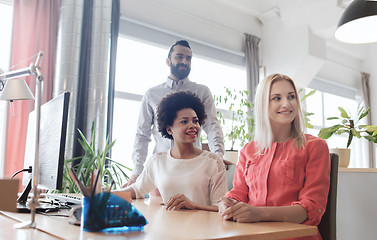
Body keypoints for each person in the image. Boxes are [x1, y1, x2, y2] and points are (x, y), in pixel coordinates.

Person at [218, 74, 330, 240]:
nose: (286, 104)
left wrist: (257, 214)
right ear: (263, 105)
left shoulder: (315, 146)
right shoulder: (248, 150)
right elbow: (238, 193)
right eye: (276, 98)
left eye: (291, 97)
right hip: (251, 235)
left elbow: (311, 209)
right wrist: (226, 203)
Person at [126, 40, 224, 186]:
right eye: (179, 56)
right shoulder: (151, 94)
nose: (184, 61)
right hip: (159, 171)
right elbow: (142, 134)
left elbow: (212, 126)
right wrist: (137, 171)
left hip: (194, 169)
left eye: (188, 58)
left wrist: (218, 158)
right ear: (168, 61)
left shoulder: (202, 92)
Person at [117, 91, 228, 211]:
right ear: (169, 130)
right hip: (168, 226)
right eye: (184, 121)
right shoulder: (157, 161)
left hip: (202, 228)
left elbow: (221, 207)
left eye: (195, 121)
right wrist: (103, 194)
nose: (193, 125)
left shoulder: (213, 162)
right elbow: (136, 190)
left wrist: (193, 205)